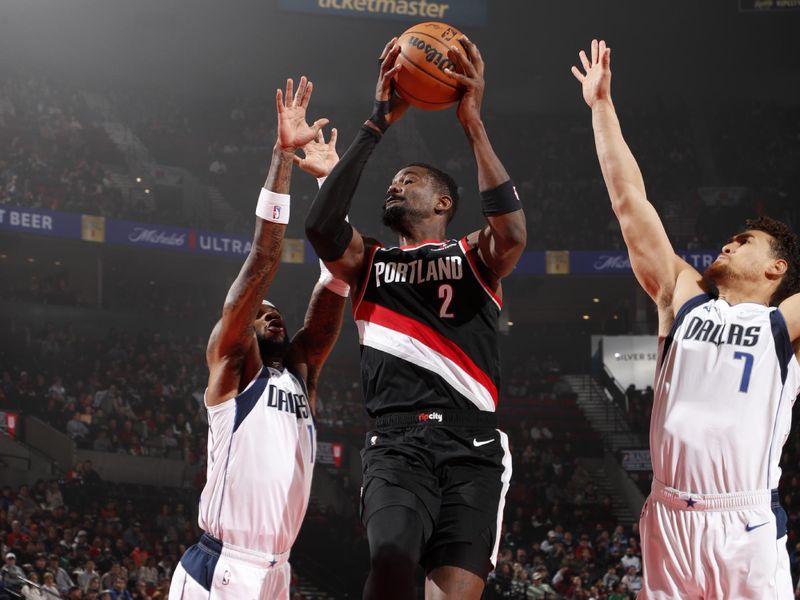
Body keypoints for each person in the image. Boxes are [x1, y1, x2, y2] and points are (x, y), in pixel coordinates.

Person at [572, 38, 800, 599]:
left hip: (744, 521)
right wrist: (601, 107)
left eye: (743, 241)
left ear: (776, 268)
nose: (728, 242)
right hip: (667, 515)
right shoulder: (684, 296)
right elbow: (630, 202)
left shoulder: (786, 325)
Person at [305, 36, 526, 600]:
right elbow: (321, 228)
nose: (394, 183)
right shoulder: (370, 261)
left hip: (473, 447)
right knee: (392, 566)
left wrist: (473, 124)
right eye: (393, 179)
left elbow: (513, 233)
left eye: (409, 179)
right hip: (397, 444)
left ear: (444, 202)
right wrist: (375, 126)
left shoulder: (475, 256)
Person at [168, 76, 347, 600]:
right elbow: (263, 262)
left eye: (278, 315)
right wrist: (284, 158)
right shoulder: (231, 367)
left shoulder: (301, 373)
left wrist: (329, 182)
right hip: (222, 565)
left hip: (278, 570)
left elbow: (339, 275)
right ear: (240, 329)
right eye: (260, 313)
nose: (272, 317)